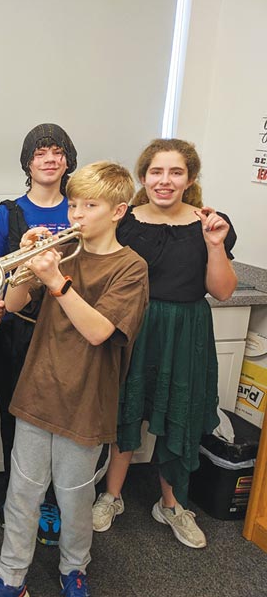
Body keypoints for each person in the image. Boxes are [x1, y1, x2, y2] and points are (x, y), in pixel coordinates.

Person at [0, 161, 149, 597]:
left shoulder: (132, 268)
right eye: (73, 204)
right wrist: (27, 262)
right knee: (22, 494)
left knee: (74, 499)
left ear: (118, 211)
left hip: (87, 399)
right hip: (37, 388)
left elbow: (98, 331)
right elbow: (13, 304)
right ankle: (11, 576)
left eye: (90, 205)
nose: (77, 215)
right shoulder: (60, 251)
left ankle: (75, 569)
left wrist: (55, 280)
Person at [92, 139, 237, 549]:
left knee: (180, 414)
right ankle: (112, 495)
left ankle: (171, 504)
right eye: (156, 171)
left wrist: (214, 245)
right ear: (143, 177)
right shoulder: (125, 222)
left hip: (185, 330)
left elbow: (222, 291)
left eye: (176, 172)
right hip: (134, 326)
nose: (165, 180)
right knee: (127, 409)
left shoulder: (211, 223)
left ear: (189, 179)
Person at [0, 123, 78, 544]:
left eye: (58, 151)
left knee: (62, 421)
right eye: (41, 152)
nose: (50, 159)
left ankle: (55, 501)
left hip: (69, 331)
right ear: (28, 162)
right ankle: (16, 501)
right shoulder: (5, 213)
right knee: (14, 419)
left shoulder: (79, 210)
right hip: (19, 331)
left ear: (67, 161)